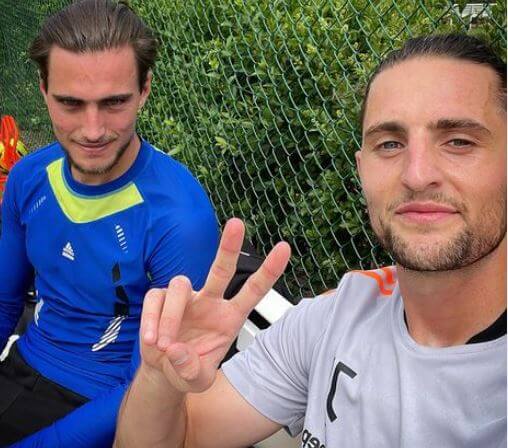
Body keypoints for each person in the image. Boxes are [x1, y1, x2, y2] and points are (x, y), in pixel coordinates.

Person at [114, 33, 507, 448]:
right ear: (362, 170)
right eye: (389, 144)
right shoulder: (336, 318)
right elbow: (176, 439)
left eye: (459, 141)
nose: (416, 173)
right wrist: (161, 379)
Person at [0, 0, 221, 445]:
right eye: (70, 103)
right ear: (43, 90)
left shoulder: (181, 219)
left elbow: (152, 387)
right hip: (24, 367)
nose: (93, 130)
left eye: (114, 102)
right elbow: (4, 302)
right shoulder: (28, 177)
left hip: (113, 406)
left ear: (145, 90)